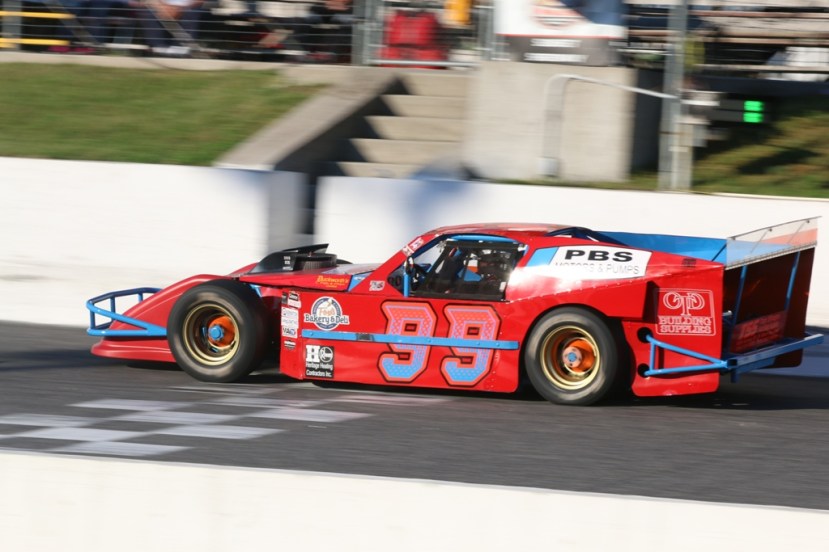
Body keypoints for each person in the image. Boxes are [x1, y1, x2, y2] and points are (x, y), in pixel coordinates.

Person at [136, 0, 208, 56]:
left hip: (189, 7)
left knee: (191, 12)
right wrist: (160, 7)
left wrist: (181, 8)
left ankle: (182, 51)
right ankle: (158, 50)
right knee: (148, 10)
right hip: (157, 6)